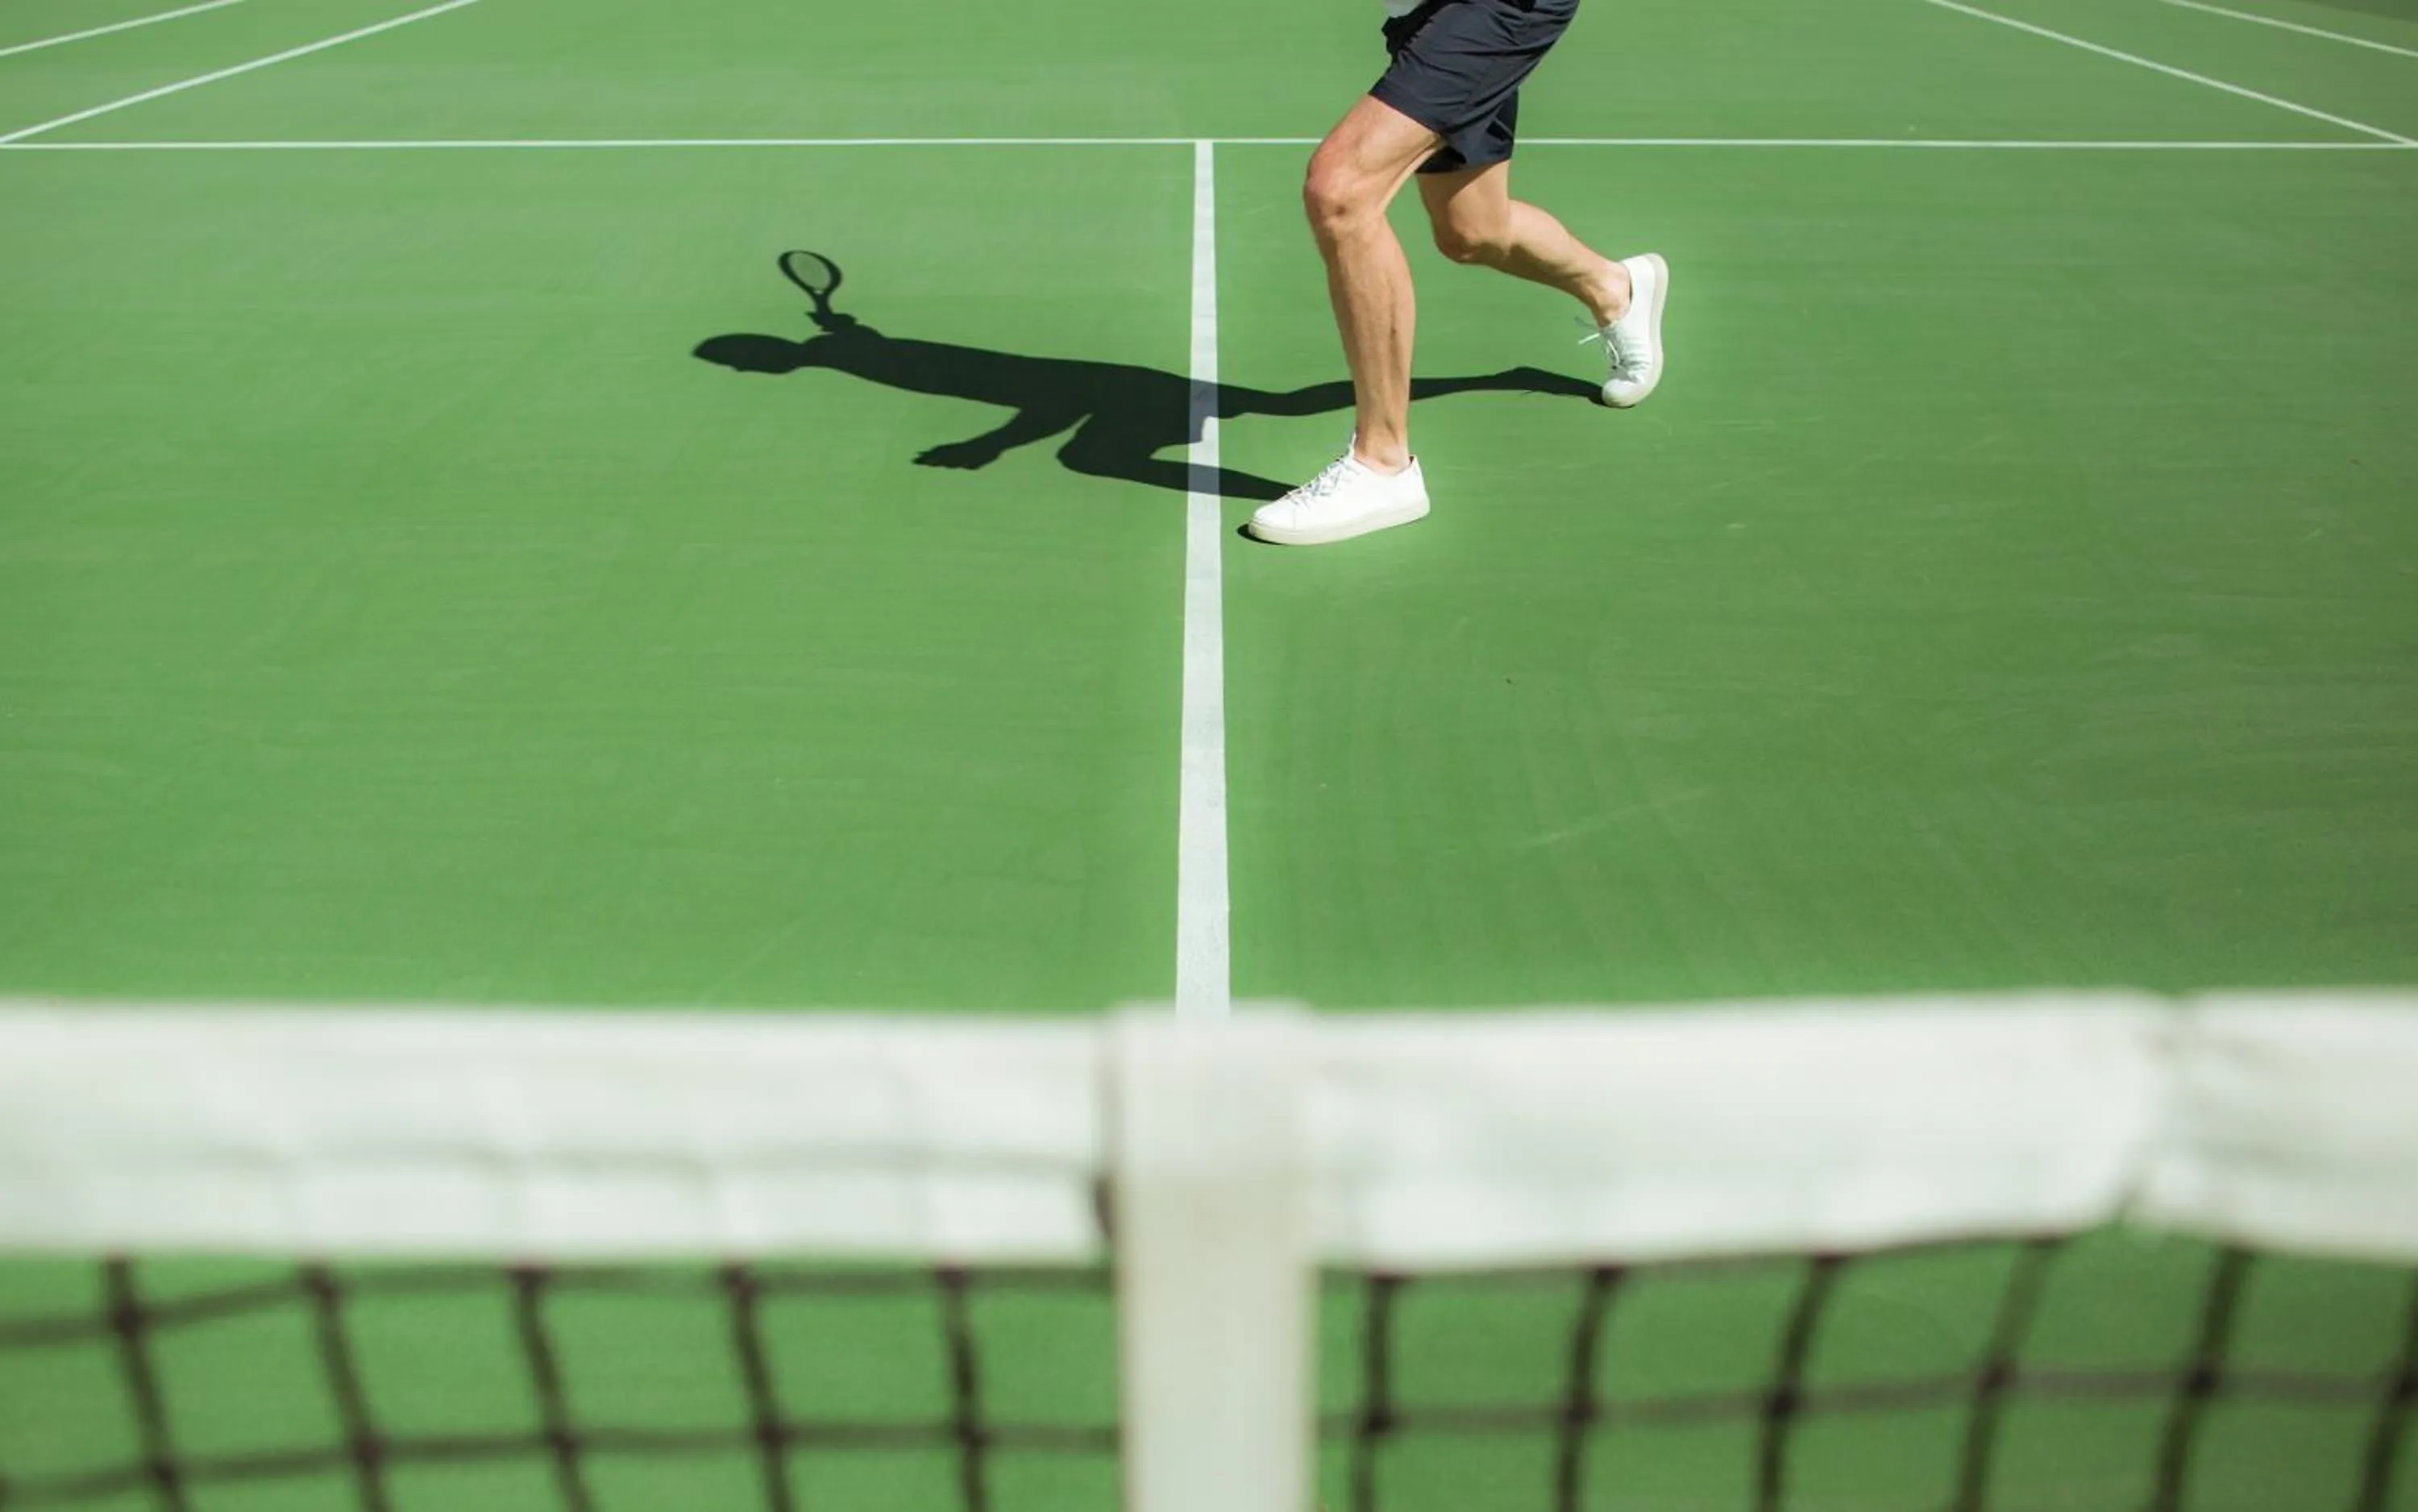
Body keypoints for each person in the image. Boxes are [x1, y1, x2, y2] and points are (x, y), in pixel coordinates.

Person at [1244, 0, 1669, 546]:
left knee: (1341, 191)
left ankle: (1383, 464)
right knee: (1471, 230)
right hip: (1426, 10)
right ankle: (1615, 288)